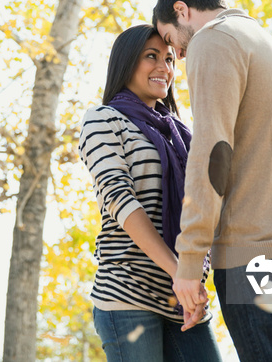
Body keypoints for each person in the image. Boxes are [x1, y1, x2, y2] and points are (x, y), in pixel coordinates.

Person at [152, 0, 272, 362]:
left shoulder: (213, 40)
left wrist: (189, 260)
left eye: (170, 40)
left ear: (181, 10)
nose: (177, 55)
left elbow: (213, 153)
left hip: (259, 258)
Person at [78, 24, 222, 362]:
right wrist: (179, 272)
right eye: (151, 56)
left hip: (182, 298)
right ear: (126, 62)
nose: (164, 68)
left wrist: (192, 277)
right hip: (127, 295)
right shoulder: (103, 119)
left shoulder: (183, 135)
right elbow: (119, 198)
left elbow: (205, 205)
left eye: (170, 59)